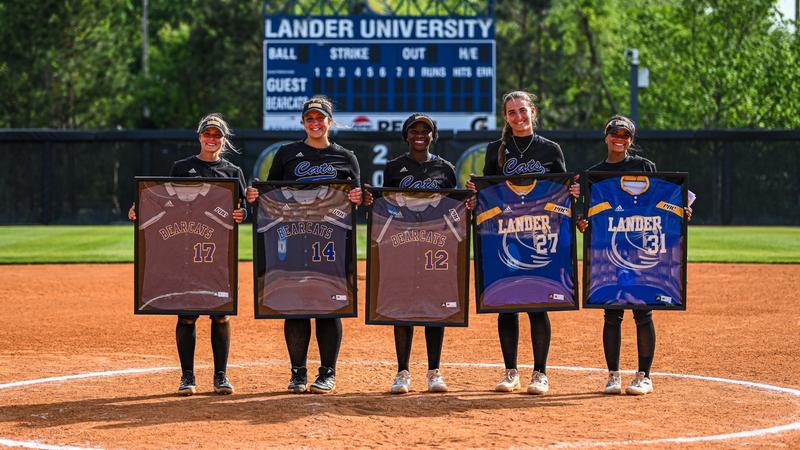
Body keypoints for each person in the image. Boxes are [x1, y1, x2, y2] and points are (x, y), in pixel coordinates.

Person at [246, 96, 363, 394]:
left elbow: (356, 199)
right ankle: (298, 372)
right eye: (309, 118)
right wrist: (255, 197)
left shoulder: (345, 157)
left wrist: (357, 198)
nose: (315, 123)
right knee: (295, 303)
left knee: (329, 305)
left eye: (320, 118)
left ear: (329, 121)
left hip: (333, 242)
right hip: (294, 238)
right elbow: (271, 196)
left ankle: (327, 372)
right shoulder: (288, 154)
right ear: (303, 122)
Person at [129, 113, 248, 396]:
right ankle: (187, 377)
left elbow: (244, 210)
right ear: (199, 137)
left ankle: (221, 376)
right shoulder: (182, 168)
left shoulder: (232, 172)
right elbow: (166, 200)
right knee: (186, 314)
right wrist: (139, 208)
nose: (211, 139)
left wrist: (243, 213)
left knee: (220, 315)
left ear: (223, 139)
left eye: (217, 135)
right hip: (184, 251)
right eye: (207, 134)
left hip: (218, 254)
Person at [468, 90, 578, 395]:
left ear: (533, 112)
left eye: (523, 110)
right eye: (512, 112)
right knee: (507, 304)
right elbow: (489, 193)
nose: (518, 116)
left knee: (537, 304)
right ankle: (511, 372)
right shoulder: (496, 150)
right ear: (506, 117)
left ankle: (540, 373)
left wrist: (574, 193)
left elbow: (561, 190)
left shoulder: (550, 150)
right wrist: (475, 193)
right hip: (506, 234)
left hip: (540, 233)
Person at [576, 115, 691, 396]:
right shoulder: (595, 173)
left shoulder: (644, 166)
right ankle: (613, 375)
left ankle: (644, 375)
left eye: (625, 135)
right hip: (608, 251)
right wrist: (583, 224)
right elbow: (586, 216)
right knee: (611, 312)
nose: (620, 138)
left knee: (643, 310)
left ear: (631, 140)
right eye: (615, 133)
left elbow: (661, 202)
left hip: (641, 248)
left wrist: (681, 213)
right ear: (605, 137)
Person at [378, 113, 459, 394]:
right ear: (406, 136)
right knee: (403, 305)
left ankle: (434, 371)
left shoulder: (445, 168)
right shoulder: (394, 168)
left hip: (435, 246)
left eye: (425, 130)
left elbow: (453, 208)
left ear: (433, 135)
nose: (420, 135)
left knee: (434, 304)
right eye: (414, 130)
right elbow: (386, 205)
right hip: (403, 245)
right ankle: (402, 371)